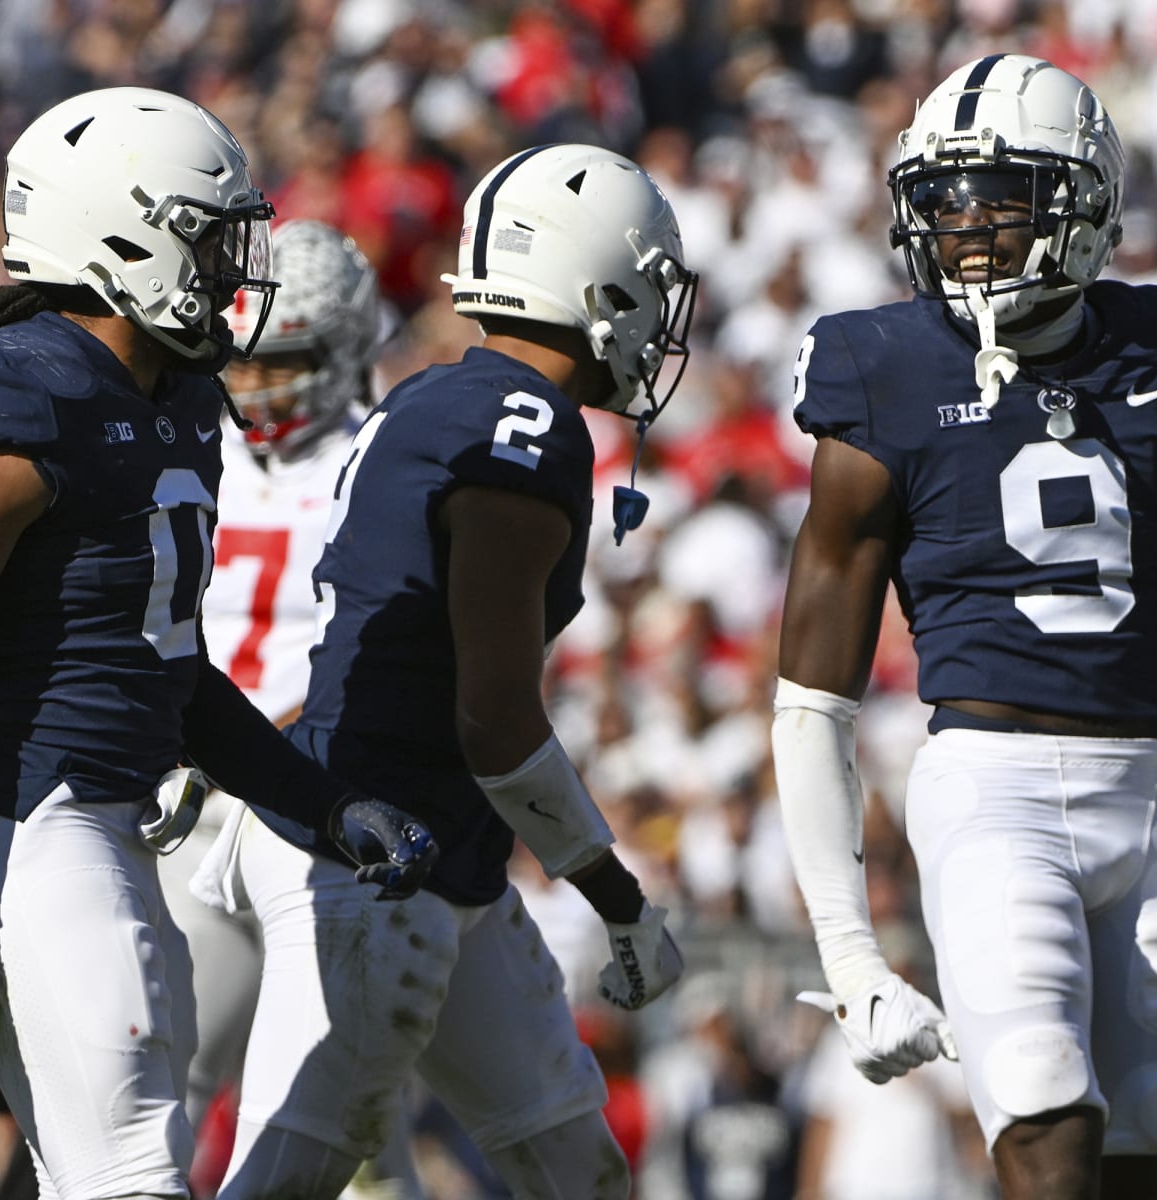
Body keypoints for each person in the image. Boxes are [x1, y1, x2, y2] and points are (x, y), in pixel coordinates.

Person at [772, 54, 1157, 1200]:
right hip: (994, 793)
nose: (965, 226)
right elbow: (811, 702)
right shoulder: (881, 371)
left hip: (1153, 792)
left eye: (1001, 196)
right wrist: (851, 957)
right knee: (1044, 1115)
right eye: (944, 198)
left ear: (1085, 204)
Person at [0, 87, 437, 1200]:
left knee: (88, 1174)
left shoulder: (182, 395)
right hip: (25, 819)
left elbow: (167, 668)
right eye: (207, 241)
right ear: (122, 236)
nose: (230, 271)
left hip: (102, 822)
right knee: (134, 1177)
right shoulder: (19, 388)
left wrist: (320, 801)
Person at [207, 142, 697, 1200]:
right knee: (284, 1181)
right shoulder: (521, 430)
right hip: (379, 857)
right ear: (596, 285)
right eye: (646, 290)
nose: (658, 322)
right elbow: (496, 725)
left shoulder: (435, 396)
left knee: (578, 1169)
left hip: (433, 844)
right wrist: (616, 897)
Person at [152, 218, 423, 1198]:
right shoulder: (191, 442)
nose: (258, 384)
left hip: (321, 810)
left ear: (343, 347)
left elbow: (400, 652)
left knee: (350, 1116)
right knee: (164, 1074)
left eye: (288, 360)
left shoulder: (380, 463)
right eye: (247, 359)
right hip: (196, 805)